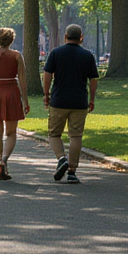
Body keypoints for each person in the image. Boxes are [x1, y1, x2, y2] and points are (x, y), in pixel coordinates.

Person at [43, 24, 99, 184]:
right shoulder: (87, 55)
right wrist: (92, 99)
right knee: (76, 136)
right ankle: (72, 171)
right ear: (81, 37)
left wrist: (46, 94)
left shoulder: (56, 53)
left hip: (59, 100)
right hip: (79, 101)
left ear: (65, 37)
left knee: (54, 134)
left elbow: (47, 75)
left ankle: (62, 158)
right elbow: (93, 80)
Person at [0, 27, 30, 180]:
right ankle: (5, 160)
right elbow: (22, 79)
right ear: (11, 40)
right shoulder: (16, 56)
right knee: (10, 132)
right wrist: (25, 100)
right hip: (11, 92)